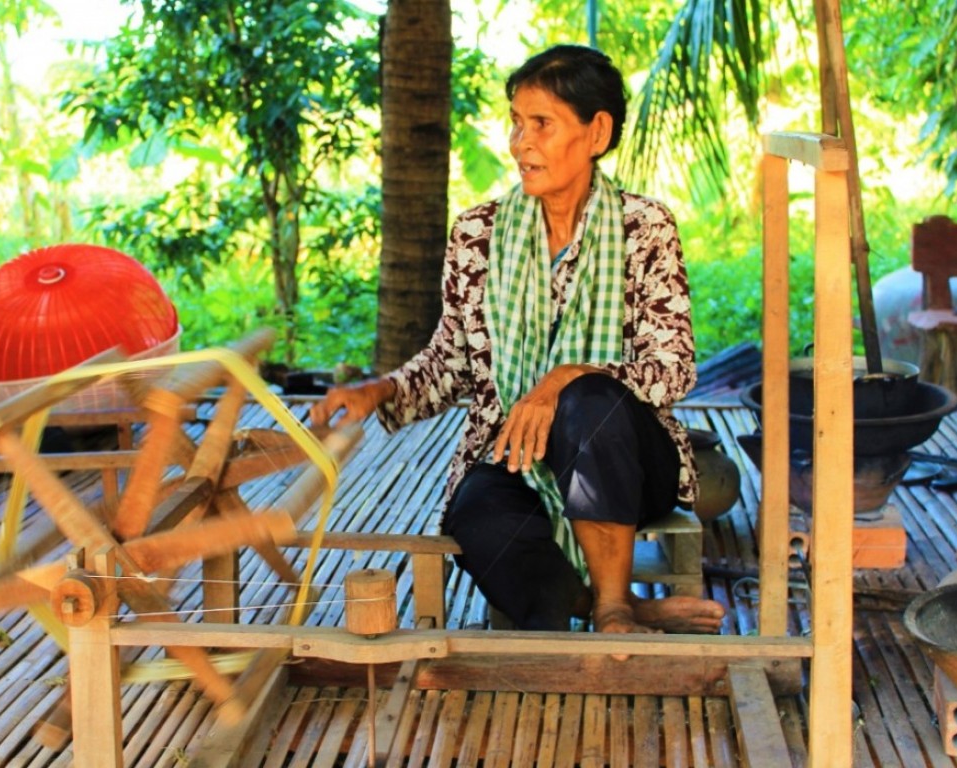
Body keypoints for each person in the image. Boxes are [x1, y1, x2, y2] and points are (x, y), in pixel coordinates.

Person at [311, 44, 725, 636]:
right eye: (515, 121)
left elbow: (673, 368)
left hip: (623, 461)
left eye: (541, 124)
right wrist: (380, 391)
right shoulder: (477, 235)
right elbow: (451, 360)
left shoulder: (645, 228)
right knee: (475, 514)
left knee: (586, 402)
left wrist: (563, 380)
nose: (518, 142)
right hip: (516, 452)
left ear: (597, 132)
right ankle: (611, 607)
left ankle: (612, 608)